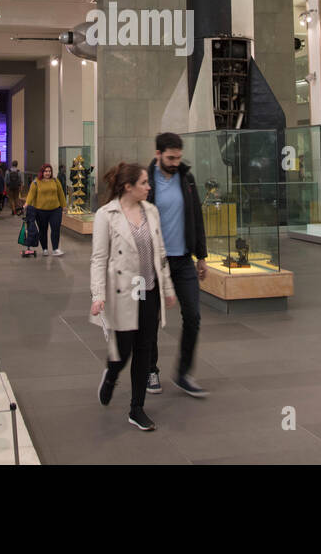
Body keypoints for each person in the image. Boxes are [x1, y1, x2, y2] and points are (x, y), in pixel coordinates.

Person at [89, 162, 176, 432]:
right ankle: (112, 374)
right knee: (123, 350)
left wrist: (168, 289)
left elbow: (160, 252)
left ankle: (136, 408)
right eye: (144, 183)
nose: (149, 187)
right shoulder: (107, 215)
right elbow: (99, 258)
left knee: (145, 350)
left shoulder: (151, 211)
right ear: (128, 187)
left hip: (149, 291)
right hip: (123, 292)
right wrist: (98, 295)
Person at [146, 132, 209, 398]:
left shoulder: (187, 179)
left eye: (178, 157)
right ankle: (151, 370)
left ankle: (184, 373)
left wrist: (201, 256)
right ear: (158, 154)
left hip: (183, 259)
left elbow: (196, 216)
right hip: (153, 262)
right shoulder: (145, 181)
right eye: (170, 157)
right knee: (150, 320)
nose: (175, 162)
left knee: (193, 316)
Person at [25, 163, 67, 256]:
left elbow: (61, 194)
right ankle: (45, 249)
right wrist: (27, 204)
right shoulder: (36, 182)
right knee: (43, 230)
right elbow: (31, 195)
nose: (48, 173)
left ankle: (55, 249)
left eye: (49, 171)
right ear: (42, 172)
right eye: (46, 171)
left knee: (55, 229)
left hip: (55, 210)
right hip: (40, 211)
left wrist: (64, 206)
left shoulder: (55, 181)